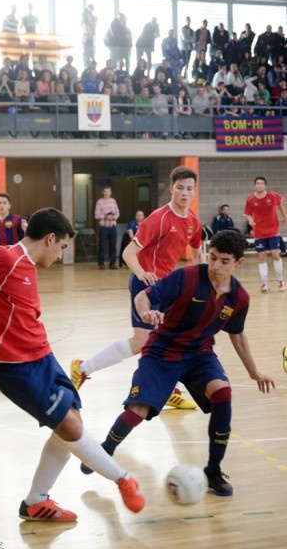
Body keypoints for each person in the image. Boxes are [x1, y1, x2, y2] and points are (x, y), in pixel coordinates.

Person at [0, 207, 145, 522]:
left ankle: (36, 501)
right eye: (62, 247)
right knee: (70, 426)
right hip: (13, 367)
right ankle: (123, 478)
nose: (62, 255)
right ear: (50, 238)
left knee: (71, 420)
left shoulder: (29, 266)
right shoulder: (6, 259)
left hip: (43, 358)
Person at [78, 230, 275, 496]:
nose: (215, 265)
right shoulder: (188, 277)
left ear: (238, 262)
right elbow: (142, 296)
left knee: (223, 393)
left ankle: (213, 471)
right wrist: (145, 311)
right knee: (136, 411)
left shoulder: (239, 298)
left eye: (224, 261)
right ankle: (106, 449)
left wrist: (254, 371)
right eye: (213, 257)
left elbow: (237, 334)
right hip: (162, 351)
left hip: (199, 354)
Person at [70, 166, 205, 410]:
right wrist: (142, 273)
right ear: (172, 189)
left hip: (168, 287)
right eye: (180, 188)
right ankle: (82, 368)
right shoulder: (158, 218)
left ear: (194, 191)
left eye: (189, 188)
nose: (185, 193)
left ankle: (169, 389)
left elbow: (197, 251)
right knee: (141, 342)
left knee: (168, 340)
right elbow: (128, 252)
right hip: (146, 285)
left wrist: (202, 280)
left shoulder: (193, 222)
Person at [243, 176, 287, 292]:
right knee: (261, 256)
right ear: (255, 185)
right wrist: (250, 220)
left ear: (265, 185)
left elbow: (280, 204)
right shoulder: (250, 199)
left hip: (273, 230)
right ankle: (265, 284)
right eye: (258, 183)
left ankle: (280, 281)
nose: (260, 185)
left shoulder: (272, 195)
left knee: (275, 254)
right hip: (259, 233)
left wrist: (285, 216)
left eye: (262, 183)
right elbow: (247, 213)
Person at [94, 186, 120, 270]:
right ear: (103, 192)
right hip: (104, 226)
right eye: (105, 192)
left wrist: (114, 217)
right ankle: (101, 263)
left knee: (113, 245)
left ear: (111, 192)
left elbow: (117, 212)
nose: (107, 193)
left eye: (108, 192)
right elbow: (96, 215)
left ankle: (112, 263)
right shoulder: (99, 202)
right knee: (101, 245)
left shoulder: (113, 201)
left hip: (112, 225)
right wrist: (106, 216)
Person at [81, 4, 97, 69]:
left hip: (91, 38)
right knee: (87, 55)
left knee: (92, 55)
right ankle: (87, 68)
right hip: (87, 39)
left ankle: (92, 67)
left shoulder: (91, 16)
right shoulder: (85, 17)